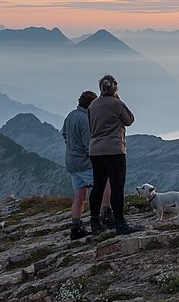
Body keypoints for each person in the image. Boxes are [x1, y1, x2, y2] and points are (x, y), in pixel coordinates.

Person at [88, 74, 142, 235]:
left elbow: (90, 125)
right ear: (115, 88)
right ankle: (120, 223)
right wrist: (117, 98)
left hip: (95, 150)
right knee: (117, 186)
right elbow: (130, 120)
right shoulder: (117, 104)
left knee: (98, 185)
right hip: (114, 150)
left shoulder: (93, 105)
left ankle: (94, 222)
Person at [61, 90, 112, 239]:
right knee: (105, 182)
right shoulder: (85, 120)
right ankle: (106, 215)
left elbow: (64, 134)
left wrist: (72, 145)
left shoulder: (71, 115)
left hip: (72, 163)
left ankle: (75, 227)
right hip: (85, 163)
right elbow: (89, 145)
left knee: (79, 196)